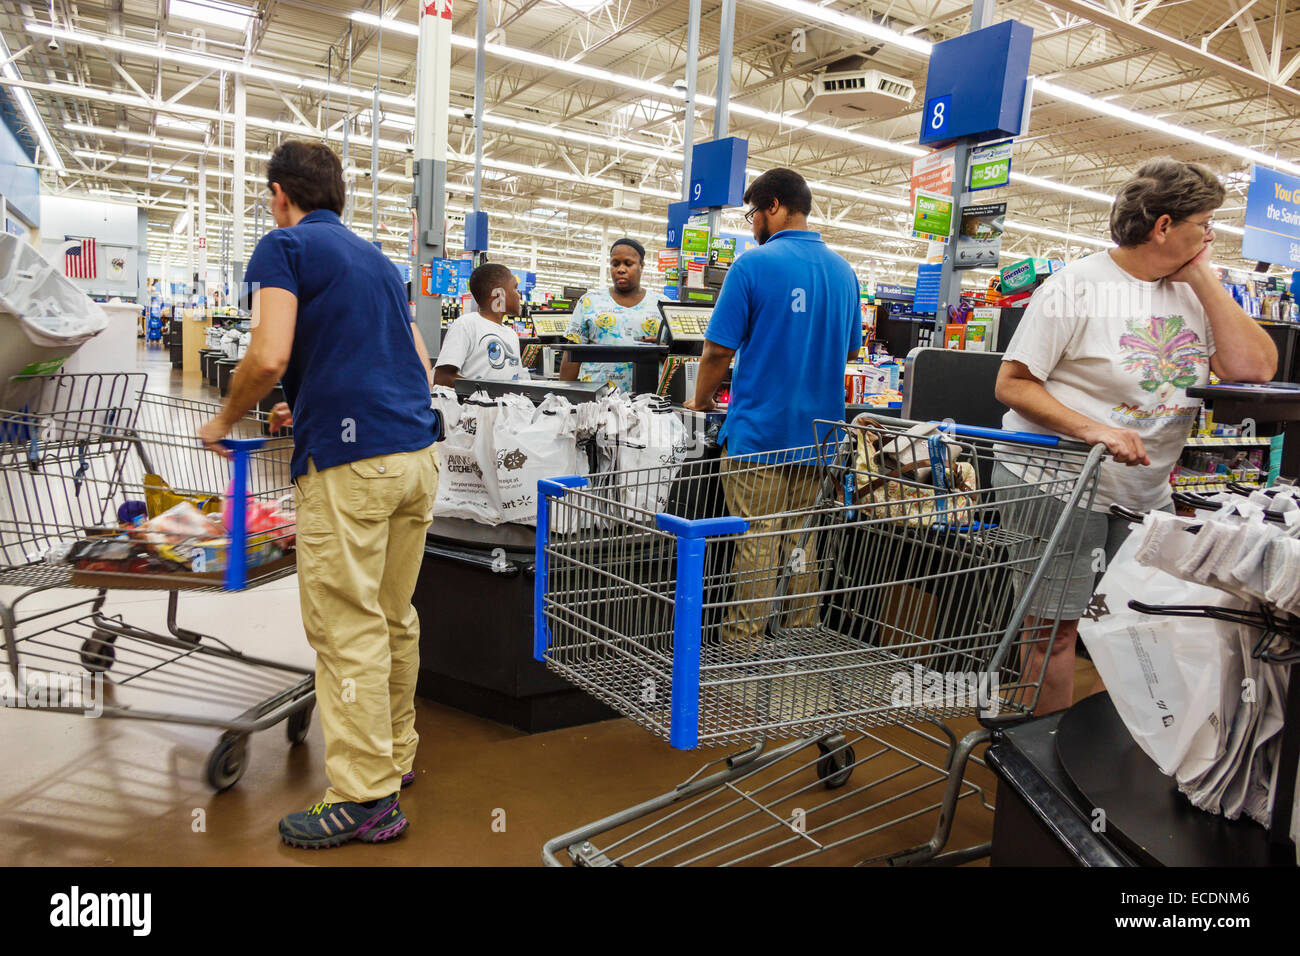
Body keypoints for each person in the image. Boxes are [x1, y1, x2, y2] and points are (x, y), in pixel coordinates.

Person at [198, 141, 441, 848]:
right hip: (415, 458)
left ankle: (366, 797)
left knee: (346, 626)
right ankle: (394, 757)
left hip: (353, 467)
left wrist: (225, 416)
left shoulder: (284, 248)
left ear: (280, 194)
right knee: (393, 617)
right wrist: (303, 406)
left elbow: (269, 354)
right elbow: (416, 365)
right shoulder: (377, 260)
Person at [993, 157, 1277, 715]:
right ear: (1164, 226)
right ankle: (1040, 768)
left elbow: (1255, 367)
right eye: (1205, 223)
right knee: (1055, 635)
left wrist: (1202, 276)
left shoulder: (1195, 293)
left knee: (1139, 624)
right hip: (1056, 484)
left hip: (1145, 494)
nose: (1212, 235)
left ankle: (1122, 759)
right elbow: (1013, 383)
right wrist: (1096, 428)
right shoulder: (1077, 285)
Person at [684, 168, 861, 644]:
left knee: (759, 540)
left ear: (774, 206)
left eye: (753, 214)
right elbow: (848, 352)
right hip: (819, 438)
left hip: (759, 436)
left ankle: (742, 644)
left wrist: (698, 402)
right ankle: (801, 639)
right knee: (801, 541)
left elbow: (718, 351)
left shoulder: (752, 266)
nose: (751, 225)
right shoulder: (845, 273)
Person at [560, 238, 660, 392]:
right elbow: (572, 353)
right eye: (615, 264)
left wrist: (663, 347)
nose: (620, 269)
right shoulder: (589, 301)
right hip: (596, 399)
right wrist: (564, 395)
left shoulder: (660, 304)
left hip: (648, 399)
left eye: (628, 263)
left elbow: (676, 357)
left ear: (642, 265)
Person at [433, 263, 529, 386]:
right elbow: (442, 378)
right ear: (499, 295)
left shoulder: (512, 335)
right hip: (473, 405)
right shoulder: (466, 325)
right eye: (515, 288)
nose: (519, 295)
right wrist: (489, 391)